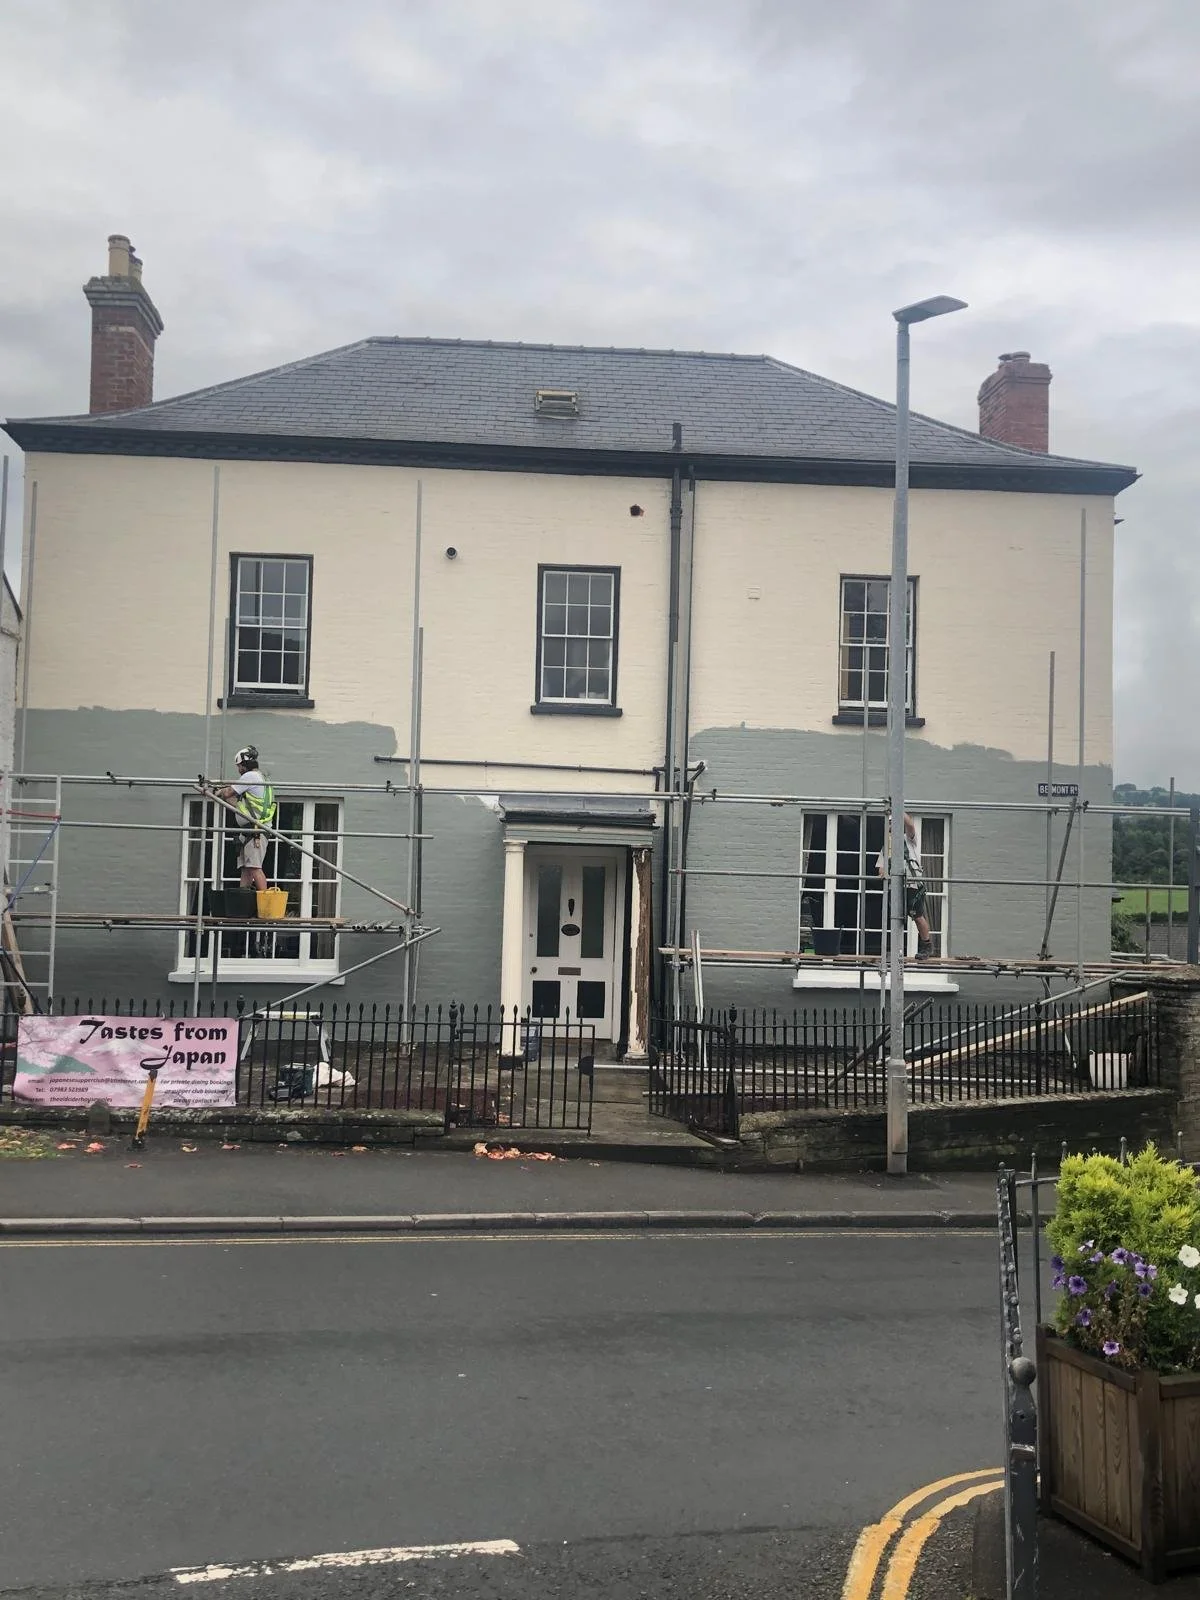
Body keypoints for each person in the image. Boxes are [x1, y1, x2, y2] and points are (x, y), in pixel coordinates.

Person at [218, 746, 276, 895]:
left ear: (244, 765)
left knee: (255, 867)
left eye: (239, 766)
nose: (238, 770)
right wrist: (221, 794)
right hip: (251, 830)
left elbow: (229, 792)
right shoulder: (260, 777)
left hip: (255, 830)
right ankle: (242, 900)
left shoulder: (250, 776)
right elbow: (237, 803)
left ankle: (266, 903)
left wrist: (218, 791)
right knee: (246, 868)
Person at [876, 812, 934, 960]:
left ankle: (926, 945)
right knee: (896, 917)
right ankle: (896, 948)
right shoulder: (885, 846)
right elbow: (881, 868)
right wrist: (883, 874)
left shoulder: (908, 839)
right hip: (895, 886)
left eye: (893, 823)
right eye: (889, 824)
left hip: (912, 883)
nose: (891, 826)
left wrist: (898, 809)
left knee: (917, 914)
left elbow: (910, 825)